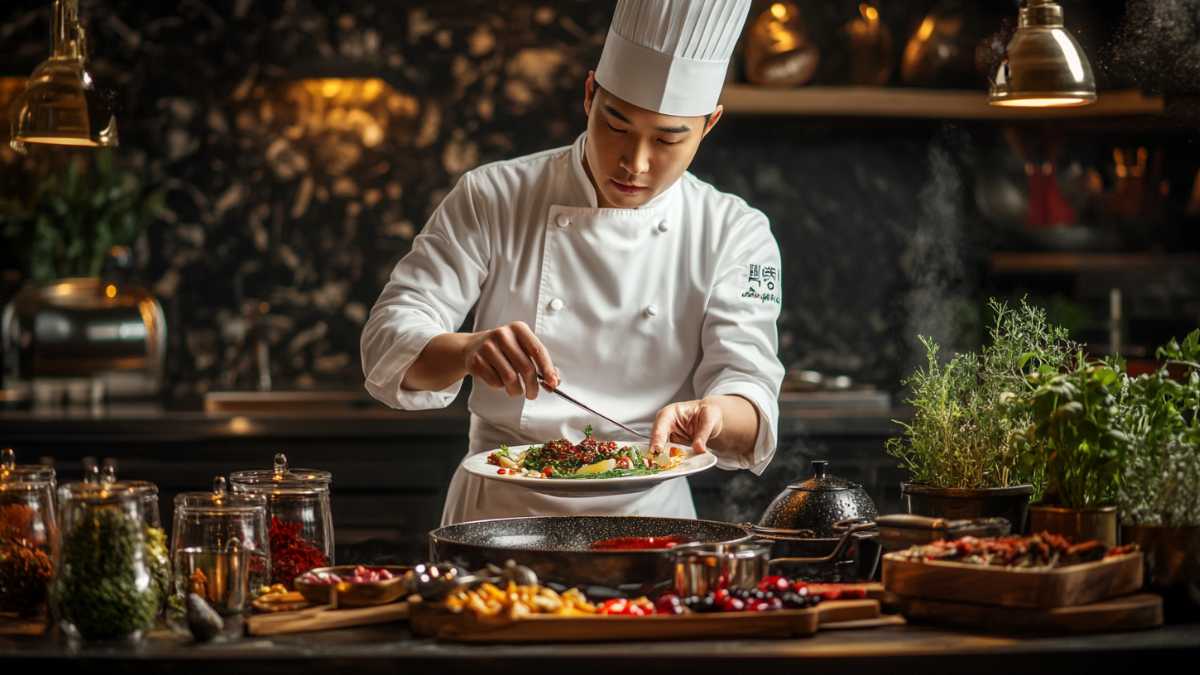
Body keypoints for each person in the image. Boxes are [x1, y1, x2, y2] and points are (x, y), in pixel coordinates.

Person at [361, 0, 784, 525]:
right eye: (617, 125)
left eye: (667, 138)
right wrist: (467, 350)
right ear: (589, 95)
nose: (635, 162)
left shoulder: (734, 232)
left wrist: (714, 414)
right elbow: (386, 342)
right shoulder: (493, 195)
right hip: (497, 515)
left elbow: (750, 393)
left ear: (709, 124)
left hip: (652, 520)